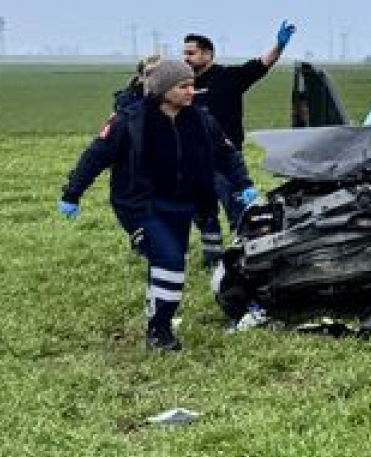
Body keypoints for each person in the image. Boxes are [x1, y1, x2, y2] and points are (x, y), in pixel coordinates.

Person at [58, 58, 258, 351]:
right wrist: (72, 193)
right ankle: (160, 332)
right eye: (184, 86)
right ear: (164, 89)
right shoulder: (130, 121)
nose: (192, 91)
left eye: (192, 85)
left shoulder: (202, 120)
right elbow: (96, 155)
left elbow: (226, 154)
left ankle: (156, 319)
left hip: (182, 205)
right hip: (140, 205)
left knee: (167, 262)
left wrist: (244, 184)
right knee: (169, 260)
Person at [184, 23, 292, 259]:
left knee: (238, 212)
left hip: (225, 161)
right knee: (203, 214)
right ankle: (212, 258)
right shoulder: (184, 86)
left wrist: (279, 45)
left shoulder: (229, 77)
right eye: (184, 53)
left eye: (190, 53)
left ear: (207, 54)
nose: (186, 58)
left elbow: (262, 64)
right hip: (194, 162)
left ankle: (244, 256)